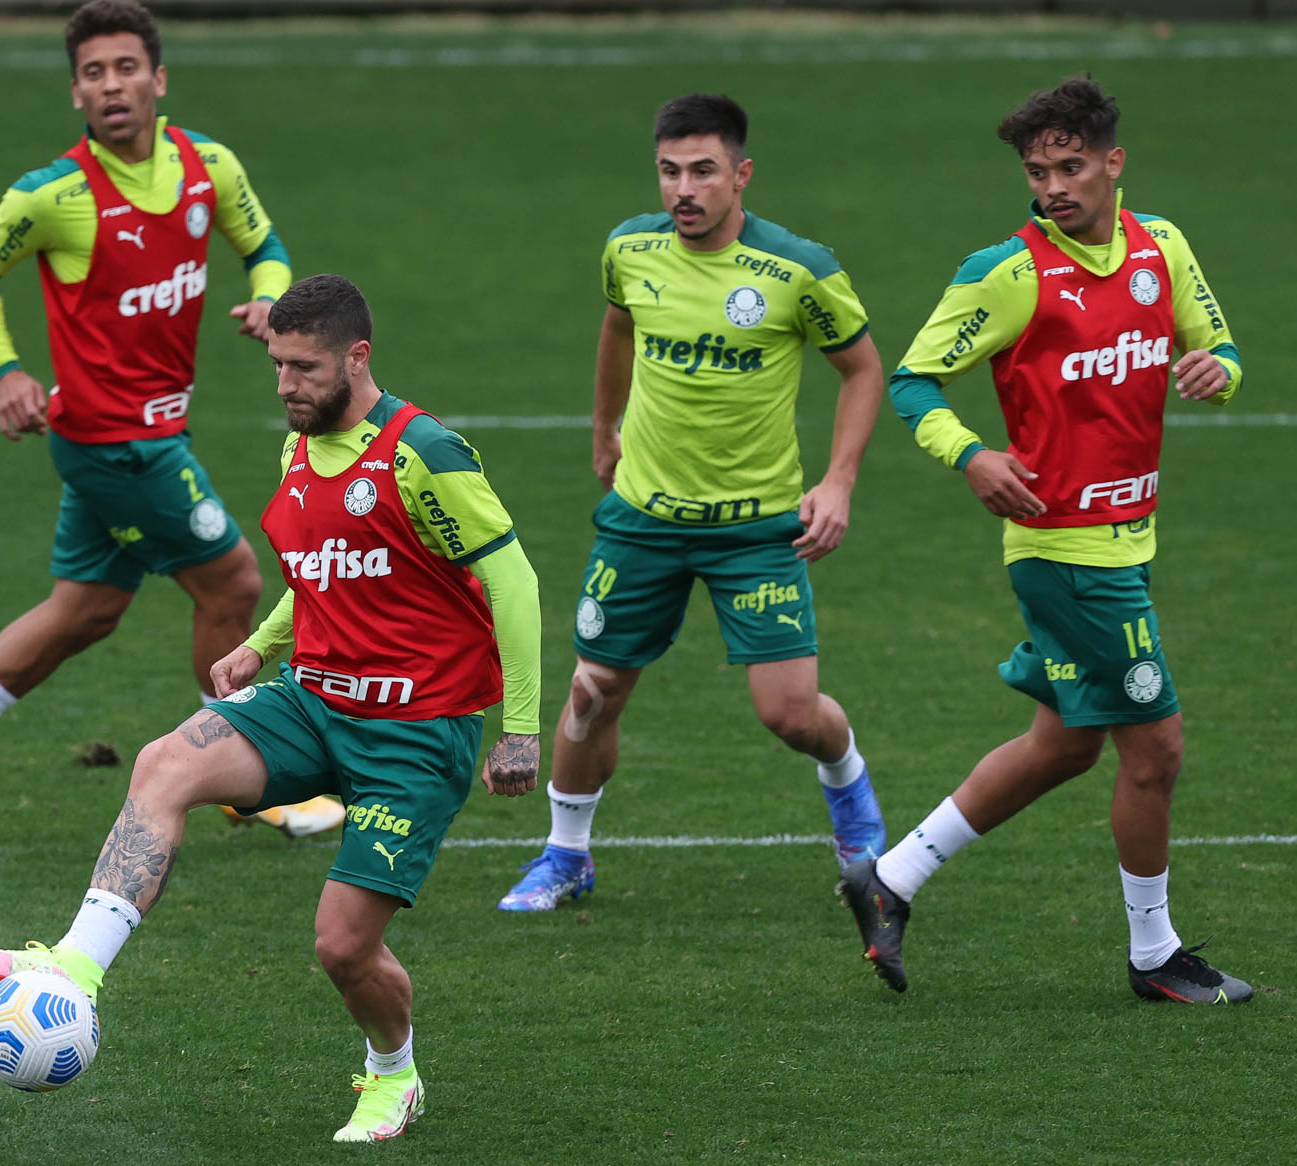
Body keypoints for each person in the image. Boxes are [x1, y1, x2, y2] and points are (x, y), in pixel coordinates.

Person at [0, 274, 543, 1141]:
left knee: (343, 947)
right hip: (313, 701)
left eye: (303, 369)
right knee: (165, 763)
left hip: (415, 732)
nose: (285, 386)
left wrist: (520, 730)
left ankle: (393, 1075)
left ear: (357, 356)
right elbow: (318, 574)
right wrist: (261, 645)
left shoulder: (425, 454)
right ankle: (72, 968)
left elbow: (513, 580)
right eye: (276, 365)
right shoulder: (299, 448)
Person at [0, 0, 340, 846]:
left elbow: (263, 241)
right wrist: (6, 371)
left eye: (126, 67)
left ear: (157, 79)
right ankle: (247, 773)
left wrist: (271, 293)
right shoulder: (54, 194)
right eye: (93, 74)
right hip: (114, 441)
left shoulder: (208, 167)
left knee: (85, 609)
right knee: (234, 583)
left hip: (154, 430)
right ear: (77, 95)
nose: (111, 85)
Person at [839, 77, 1251, 1005]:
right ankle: (1155, 956)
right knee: (1157, 750)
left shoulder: (1163, 247)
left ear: (1113, 163)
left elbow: (1221, 351)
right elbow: (913, 381)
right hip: (1064, 550)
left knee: (1066, 743)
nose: (1054, 186)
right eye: (1038, 171)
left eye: (1071, 167)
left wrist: (1212, 371)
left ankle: (889, 877)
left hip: (1129, 537)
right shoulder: (1009, 272)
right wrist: (972, 455)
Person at [498, 93, 887, 912]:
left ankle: (847, 782)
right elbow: (617, 329)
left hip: (756, 529)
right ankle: (566, 856)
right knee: (591, 694)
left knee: (789, 714)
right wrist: (605, 430)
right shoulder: (630, 249)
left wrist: (839, 479)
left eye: (703, 171)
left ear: (741, 175)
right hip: (643, 520)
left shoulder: (798, 270)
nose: (684, 189)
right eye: (670, 171)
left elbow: (862, 369)